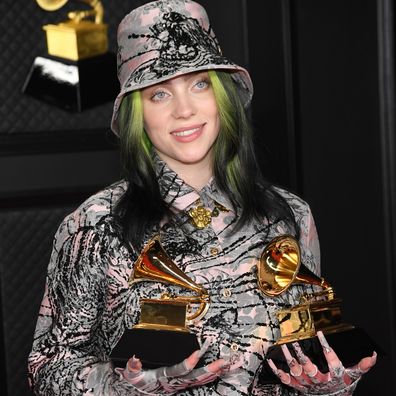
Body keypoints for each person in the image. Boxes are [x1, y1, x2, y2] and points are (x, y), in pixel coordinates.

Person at [27, 1, 377, 395]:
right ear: (136, 114)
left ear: (222, 96)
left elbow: (307, 344)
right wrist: (132, 388)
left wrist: (326, 388)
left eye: (199, 84)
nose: (185, 110)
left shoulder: (291, 215)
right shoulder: (93, 225)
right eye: (159, 94)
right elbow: (48, 366)